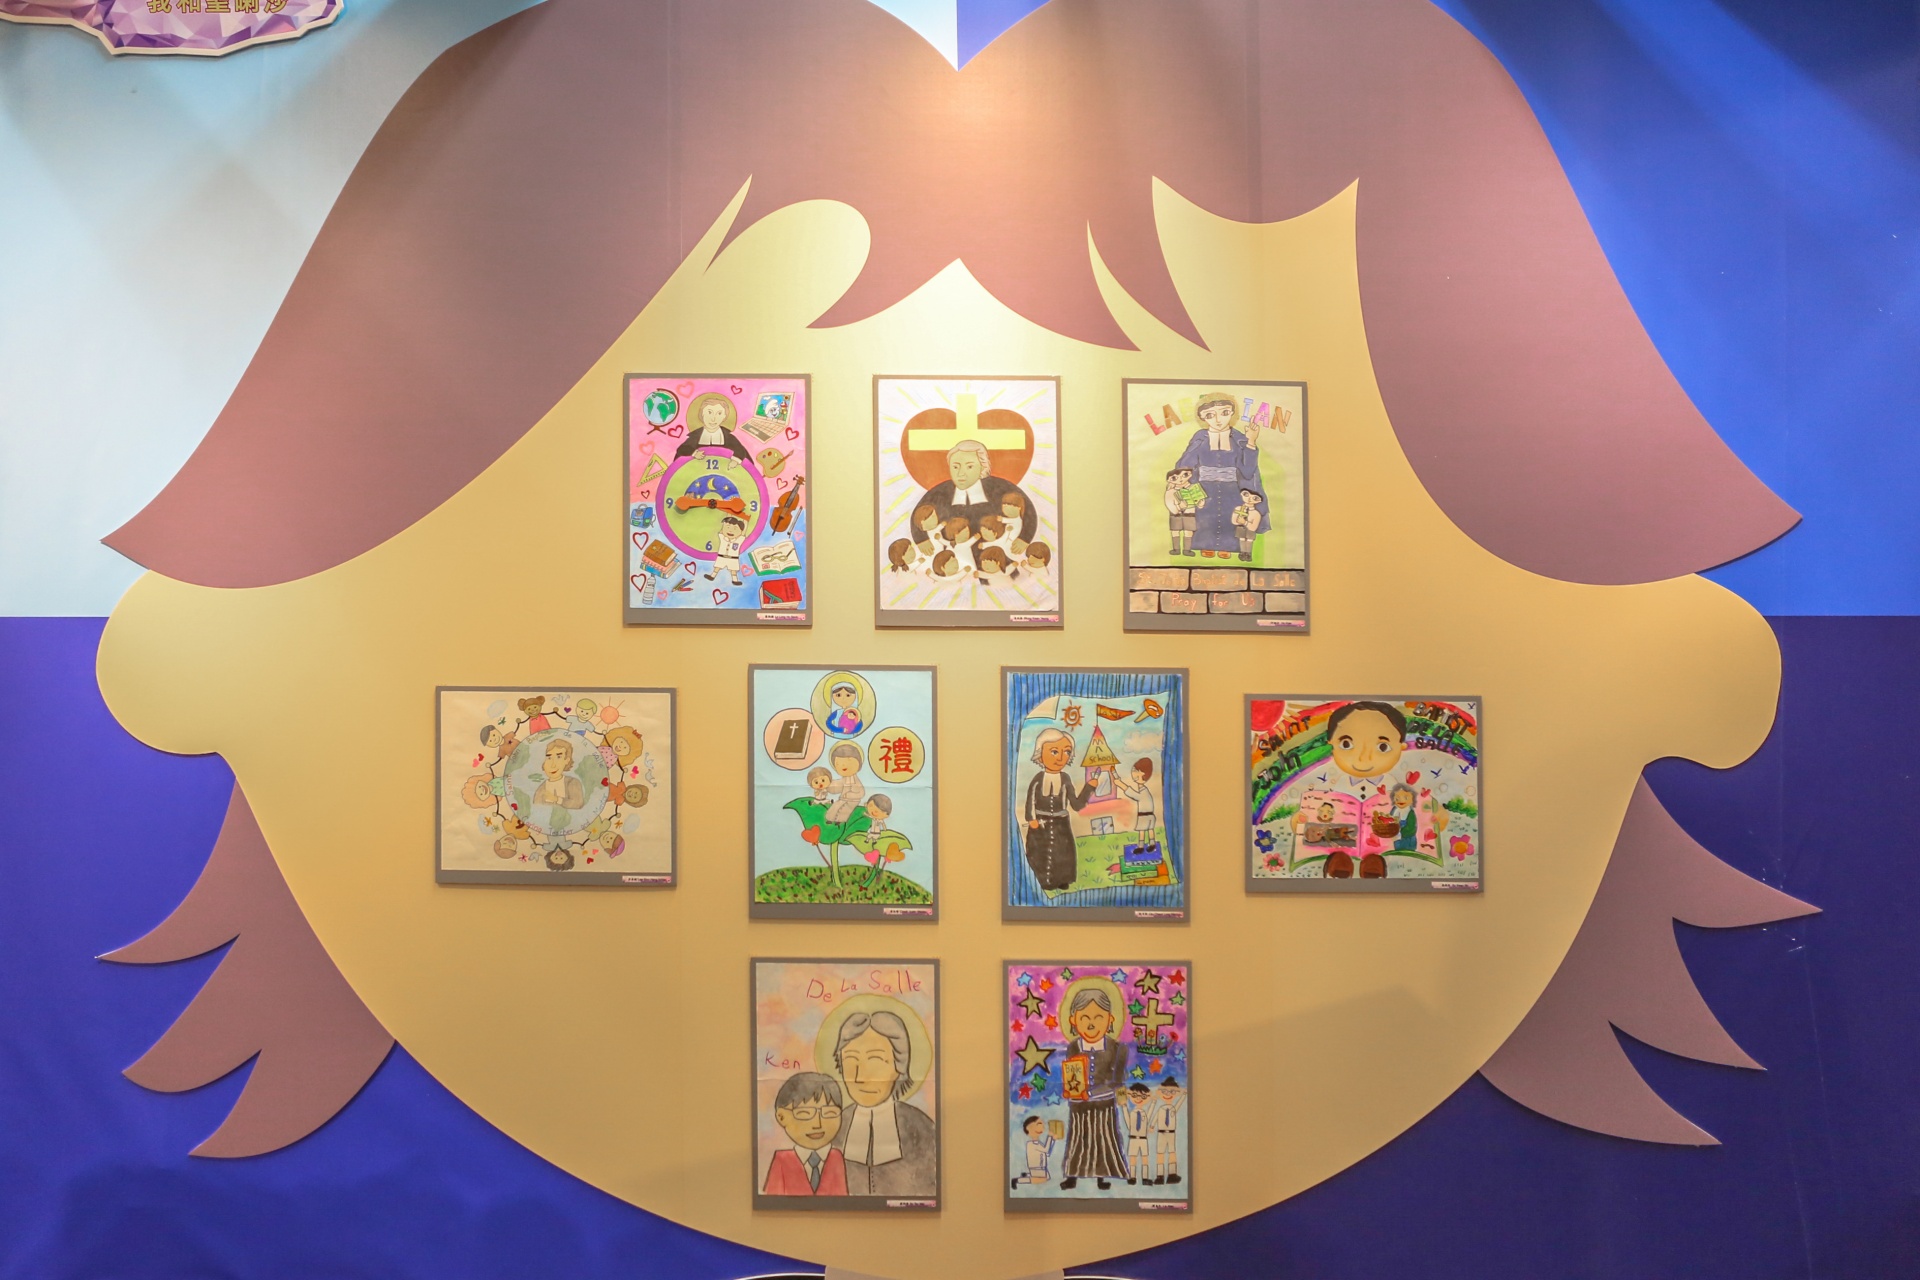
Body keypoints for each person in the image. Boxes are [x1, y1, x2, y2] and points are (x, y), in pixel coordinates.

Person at [830, 1010, 938, 1197]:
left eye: (875, 1060)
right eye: (850, 1059)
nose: (860, 1077)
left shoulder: (922, 1129)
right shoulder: (833, 1128)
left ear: (899, 1065)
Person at [1173, 392, 1265, 559]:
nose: (1218, 420)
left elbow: (1247, 471)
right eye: (1210, 415)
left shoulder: (1239, 439)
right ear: (1202, 418)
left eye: (1224, 413)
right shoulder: (1200, 438)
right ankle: (1204, 546)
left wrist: (1251, 442)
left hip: (1231, 488)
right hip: (1204, 488)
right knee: (1205, 517)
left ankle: (1228, 548)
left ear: (1232, 413)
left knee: (1230, 517)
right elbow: (1185, 464)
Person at [909, 439, 1038, 551]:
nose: (961, 473)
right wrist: (921, 539)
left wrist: (1024, 538)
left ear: (982, 467)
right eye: (955, 467)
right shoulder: (940, 492)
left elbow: (1027, 509)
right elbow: (919, 513)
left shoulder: (999, 487)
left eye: (969, 467)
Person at [1058, 988, 1128, 1190]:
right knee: (1078, 1138)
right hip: (1079, 1104)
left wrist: (1120, 1096)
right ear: (1074, 1020)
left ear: (1110, 1019)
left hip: (1104, 1103)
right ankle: (1073, 1174)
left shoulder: (1117, 1048)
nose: (1091, 1024)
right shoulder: (1074, 1047)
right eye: (1085, 1018)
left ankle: (1101, 1176)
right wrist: (1071, 1090)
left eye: (1098, 1017)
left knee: (1103, 1137)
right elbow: (1071, 1073)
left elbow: (1119, 1079)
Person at [1023, 727, 1089, 891]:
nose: (1060, 758)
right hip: (1040, 824)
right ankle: (1042, 881)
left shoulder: (1065, 778)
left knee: (1063, 851)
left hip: (1061, 824)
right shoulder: (1038, 779)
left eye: (1066, 752)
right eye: (1054, 752)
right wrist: (1031, 819)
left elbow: (1076, 804)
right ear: (1040, 754)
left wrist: (1090, 788)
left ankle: (1062, 880)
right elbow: (1030, 800)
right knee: (1039, 852)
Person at [763, 1071, 848, 1196]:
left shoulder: (836, 1158)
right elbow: (771, 1200)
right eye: (804, 1114)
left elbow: (843, 1199)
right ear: (782, 1117)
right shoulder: (782, 1160)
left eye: (829, 1113)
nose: (817, 1124)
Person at [673, 391, 753, 461]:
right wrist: (694, 453)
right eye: (709, 412)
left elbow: (741, 451)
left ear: (724, 417)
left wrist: (736, 460)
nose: (713, 418)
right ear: (702, 413)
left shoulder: (729, 438)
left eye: (719, 413)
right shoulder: (695, 437)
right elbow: (682, 450)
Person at [532, 738, 586, 809]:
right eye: (549, 758)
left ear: (566, 760)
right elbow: (536, 807)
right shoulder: (542, 789)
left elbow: (578, 803)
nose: (553, 765)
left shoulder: (572, 783)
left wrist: (557, 799)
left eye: (559, 757)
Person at [1151, 1076, 1185, 1185]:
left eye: (1172, 1092)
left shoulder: (1173, 1109)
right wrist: (1152, 1126)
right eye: (1165, 1091)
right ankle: (1159, 1176)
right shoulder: (1161, 1109)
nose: (1168, 1094)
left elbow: (1179, 1104)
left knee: (1172, 1153)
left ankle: (1172, 1174)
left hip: (1171, 1133)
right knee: (1160, 1154)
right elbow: (1155, 1118)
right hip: (1161, 1133)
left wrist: (1184, 1095)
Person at [1115, 757, 1158, 844]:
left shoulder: (1143, 792)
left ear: (1142, 773)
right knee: (1149, 829)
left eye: (1135, 770)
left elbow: (1135, 795)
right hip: (1148, 815)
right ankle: (1150, 844)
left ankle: (1144, 845)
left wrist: (1121, 785)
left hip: (1144, 815)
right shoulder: (1144, 790)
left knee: (1143, 830)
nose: (1132, 772)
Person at [823, 741, 865, 824]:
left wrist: (851, 795)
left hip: (853, 800)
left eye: (849, 762)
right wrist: (828, 786)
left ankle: (840, 821)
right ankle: (829, 819)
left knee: (845, 809)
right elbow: (838, 786)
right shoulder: (844, 780)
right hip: (842, 798)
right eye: (838, 764)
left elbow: (861, 793)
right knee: (835, 806)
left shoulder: (856, 781)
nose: (843, 766)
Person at [1011, 1114, 1056, 1189]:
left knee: (1047, 1178)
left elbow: (1047, 1153)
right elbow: (1046, 1150)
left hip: (1042, 1166)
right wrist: (1050, 1137)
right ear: (1029, 1128)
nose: (1042, 1127)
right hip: (1036, 1167)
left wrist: (1053, 1140)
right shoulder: (1032, 1144)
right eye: (1039, 1124)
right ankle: (1017, 1180)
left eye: (1042, 1125)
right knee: (1042, 1179)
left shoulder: (1038, 1143)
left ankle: (1027, 1175)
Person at [1122, 1082, 1154, 1184]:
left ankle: (1145, 1178)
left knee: (1145, 1159)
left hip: (1143, 1139)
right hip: (1133, 1138)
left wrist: (1153, 1103)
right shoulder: (1132, 1113)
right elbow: (1128, 1124)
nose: (1139, 1098)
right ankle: (1132, 1177)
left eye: (1143, 1096)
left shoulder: (1144, 1113)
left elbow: (1149, 1115)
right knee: (1133, 1159)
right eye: (1135, 1095)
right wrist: (1124, 1107)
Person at [1164, 467, 1199, 556]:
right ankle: (1176, 549)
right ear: (1169, 480)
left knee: (1189, 531)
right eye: (1175, 478)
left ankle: (1187, 550)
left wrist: (1200, 503)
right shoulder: (1171, 491)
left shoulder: (1193, 489)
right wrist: (1179, 507)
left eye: (1185, 475)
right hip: (1176, 515)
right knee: (1175, 531)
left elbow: (1199, 503)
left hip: (1190, 514)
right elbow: (1169, 504)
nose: (1180, 480)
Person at [706, 514, 746, 586]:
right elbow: (722, 529)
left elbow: (743, 533)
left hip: (733, 558)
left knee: (733, 570)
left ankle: (735, 580)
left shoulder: (738, 540)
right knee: (717, 567)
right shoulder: (723, 538)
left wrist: (746, 520)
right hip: (722, 557)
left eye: (735, 529)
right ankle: (712, 576)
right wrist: (729, 515)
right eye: (728, 527)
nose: (730, 531)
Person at [1230, 486, 1264, 561]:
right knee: (1241, 539)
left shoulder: (1256, 513)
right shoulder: (1238, 509)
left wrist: (1245, 522)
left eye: (1255, 498)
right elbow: (1233, 521)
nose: (1249, 499)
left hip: (1250, 530)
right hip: (1240, 528)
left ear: (1259, 501)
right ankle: (1242, 553)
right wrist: (1237, 520)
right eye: (1246, 494)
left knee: (1249, 540)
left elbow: (1253, 527)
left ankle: (1248, 554)